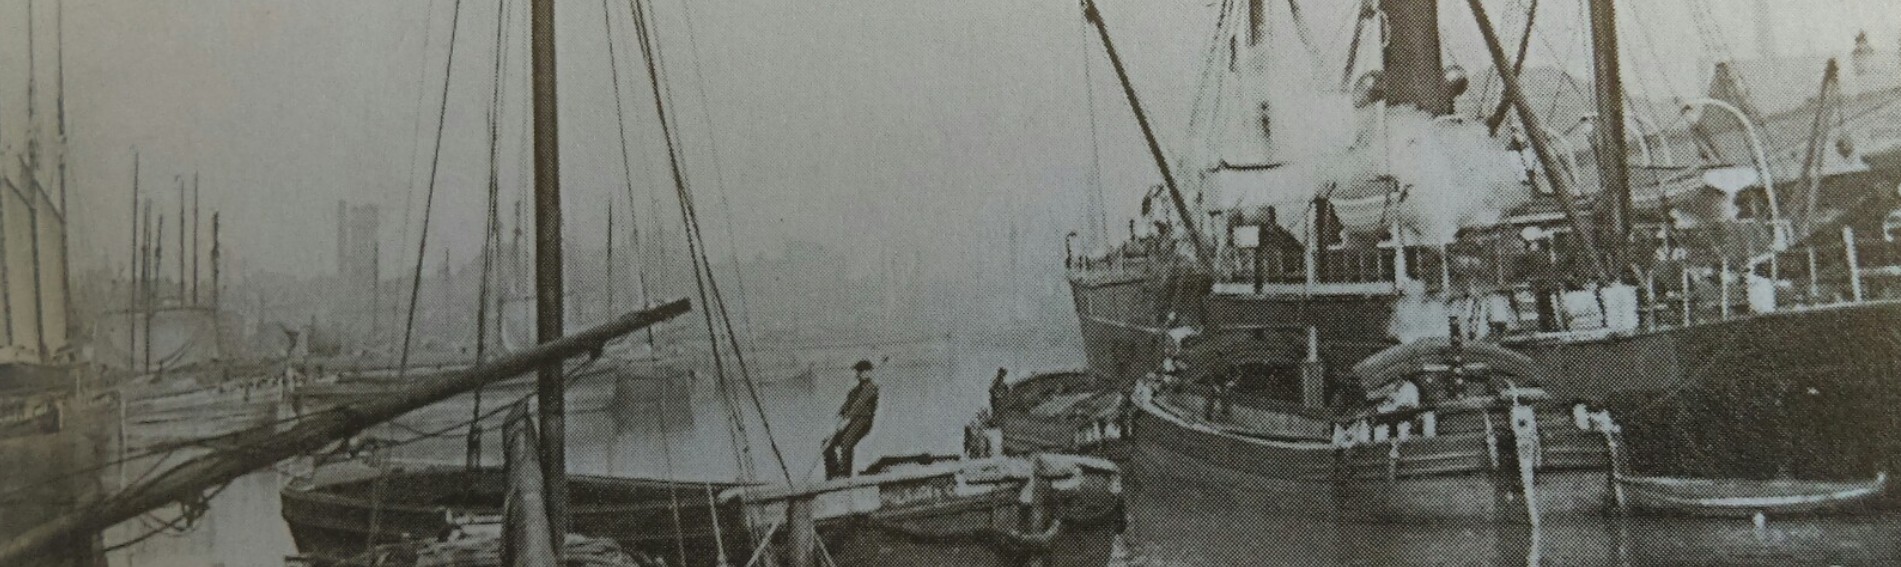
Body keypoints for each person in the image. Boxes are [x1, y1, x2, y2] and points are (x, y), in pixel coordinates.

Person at [824, 360, 880, 479]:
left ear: (868, 372)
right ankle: (832, 474)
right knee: (827, 443)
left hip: (863, 422)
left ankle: (845, 475)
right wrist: (837, 419)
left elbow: (858, 405)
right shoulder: (854, 391)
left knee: (846, 442)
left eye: (861, 371)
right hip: (849, 422)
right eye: (858, 371)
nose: (858, 374)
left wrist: (846, 420)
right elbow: (846, 406)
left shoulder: (872, 388)